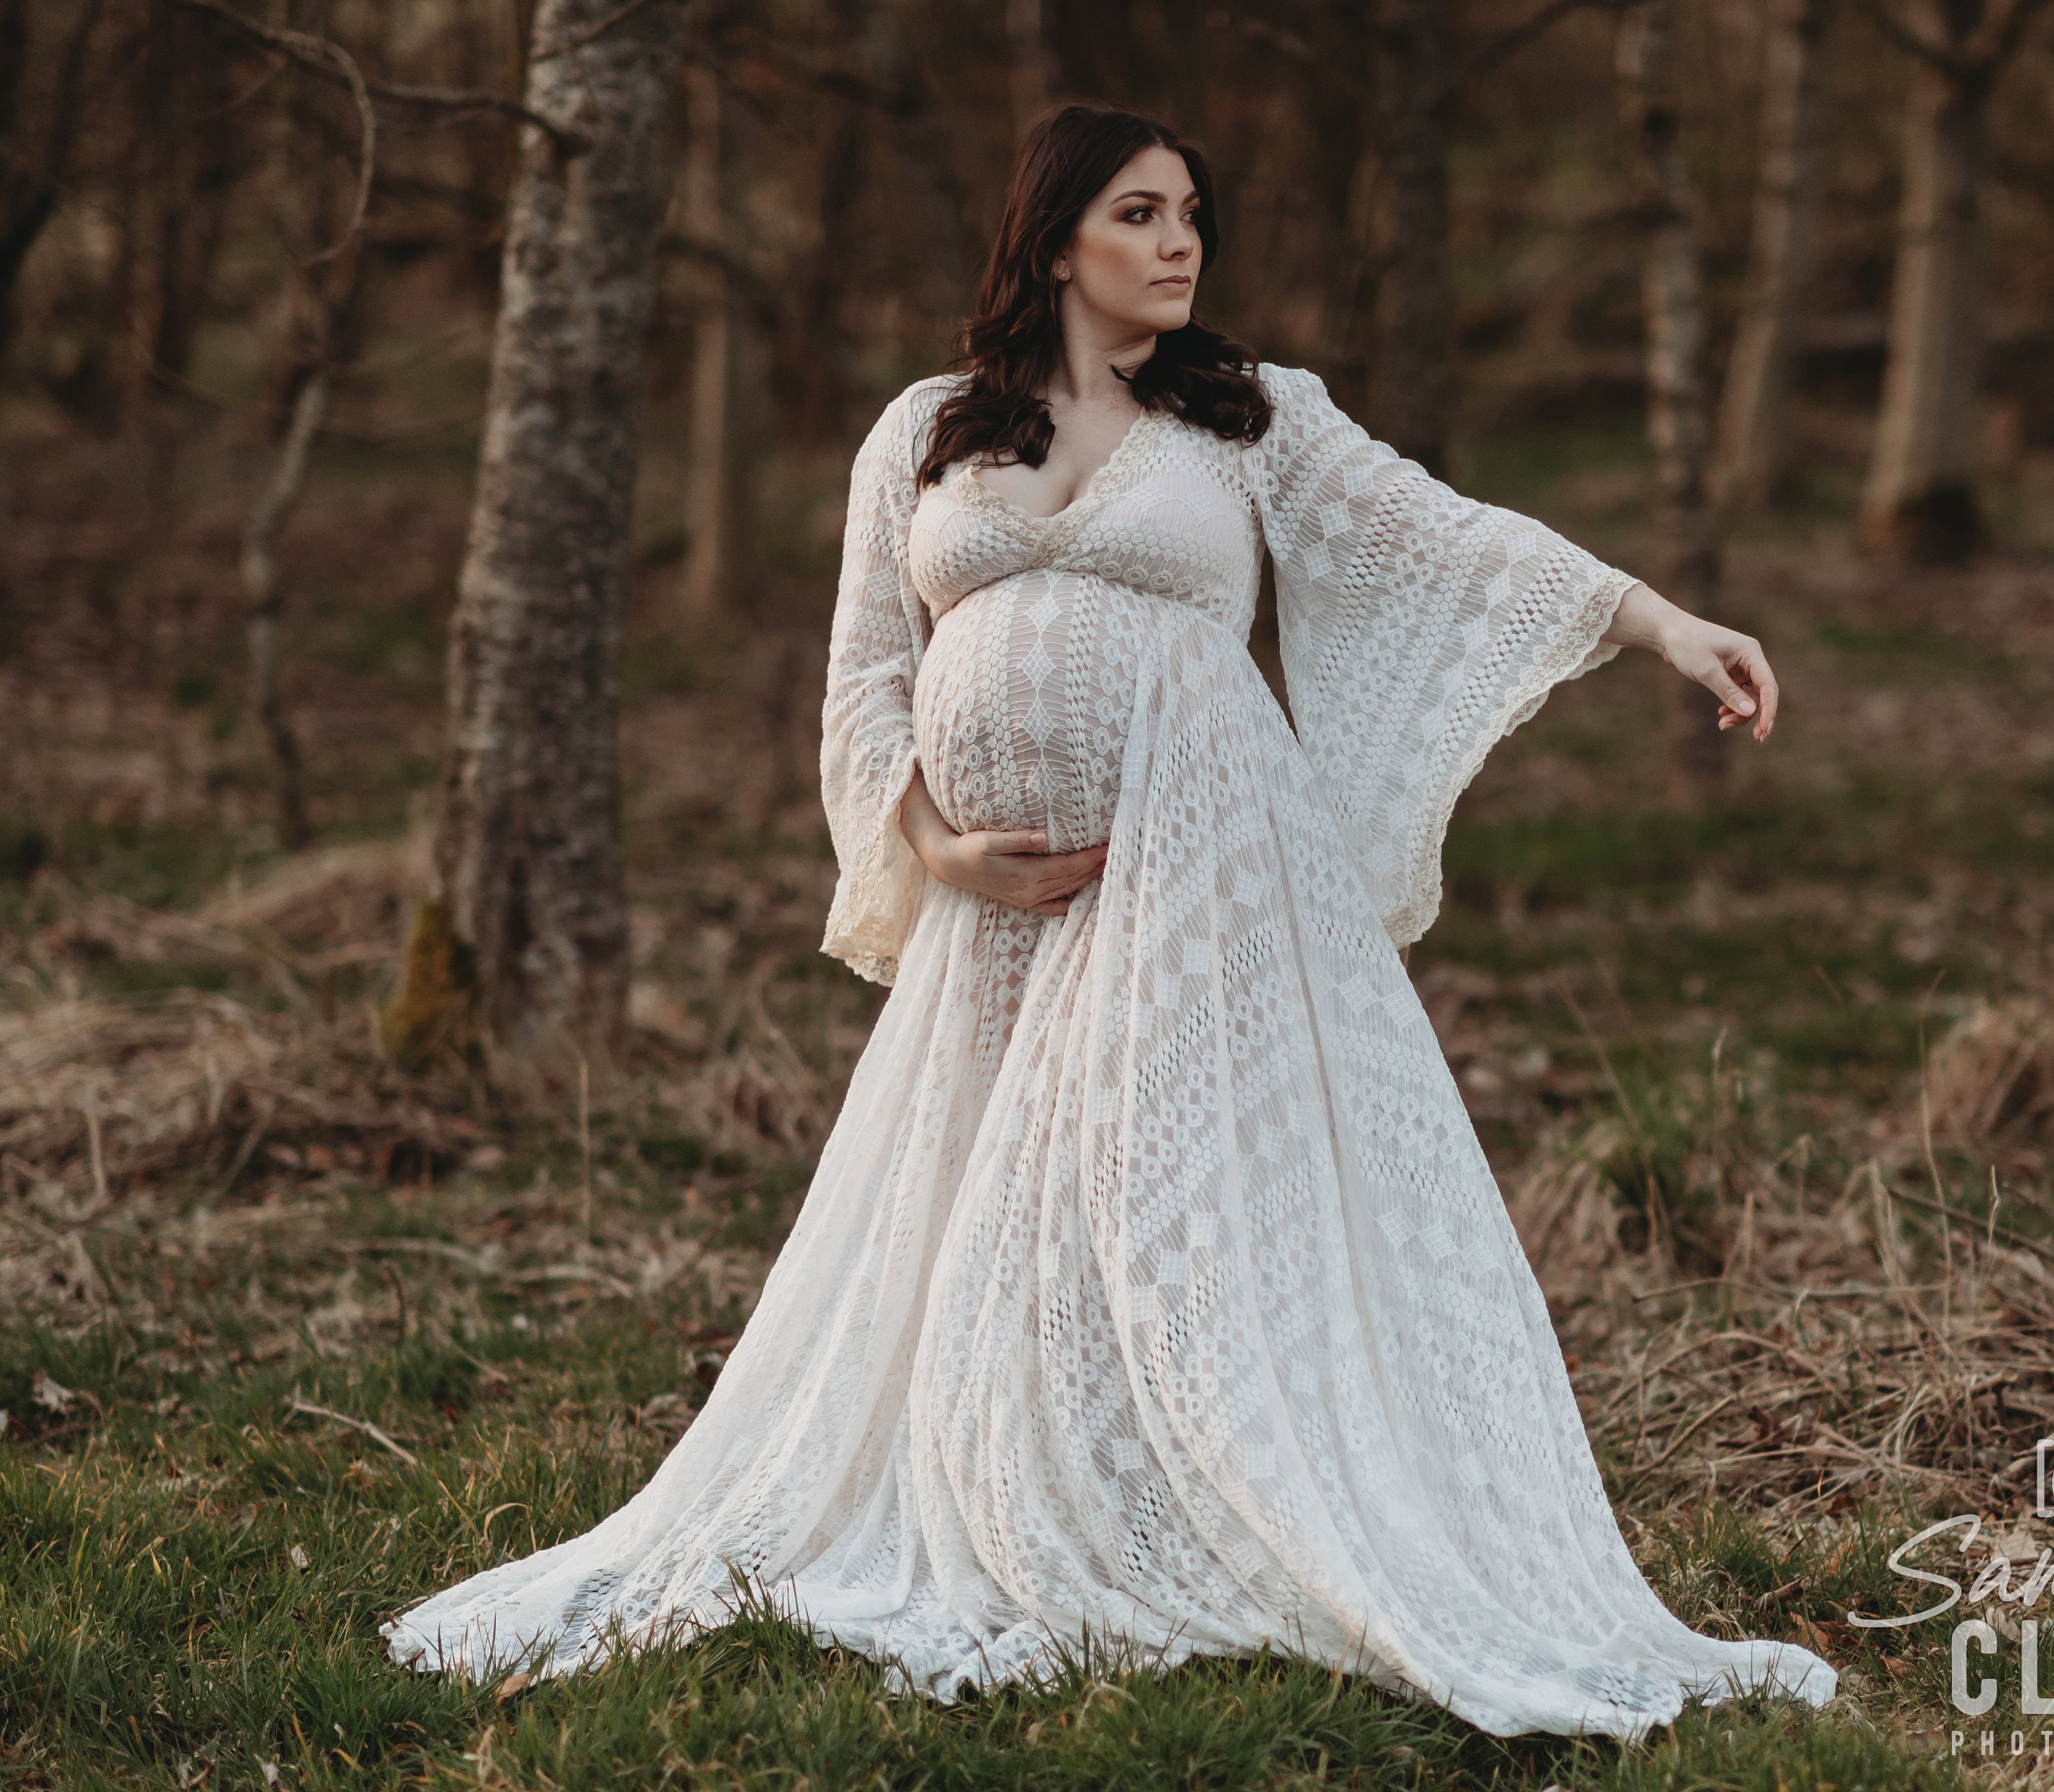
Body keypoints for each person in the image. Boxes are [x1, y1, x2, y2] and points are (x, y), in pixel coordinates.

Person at [387, 103, 1835, 1740]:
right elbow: (864, 670)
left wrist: (1661, 619)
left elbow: (1446, 542)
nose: (1180, 243)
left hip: (1207, 868)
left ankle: (1200, 1492)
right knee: (996, 1198)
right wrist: (933, 840)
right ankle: (1015, 1475)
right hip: (1004, 912)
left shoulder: (1248, 419)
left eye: (1194, 216)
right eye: (1142, 212)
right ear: (1056, 234)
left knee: (1166, 1181)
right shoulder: (925, 431)